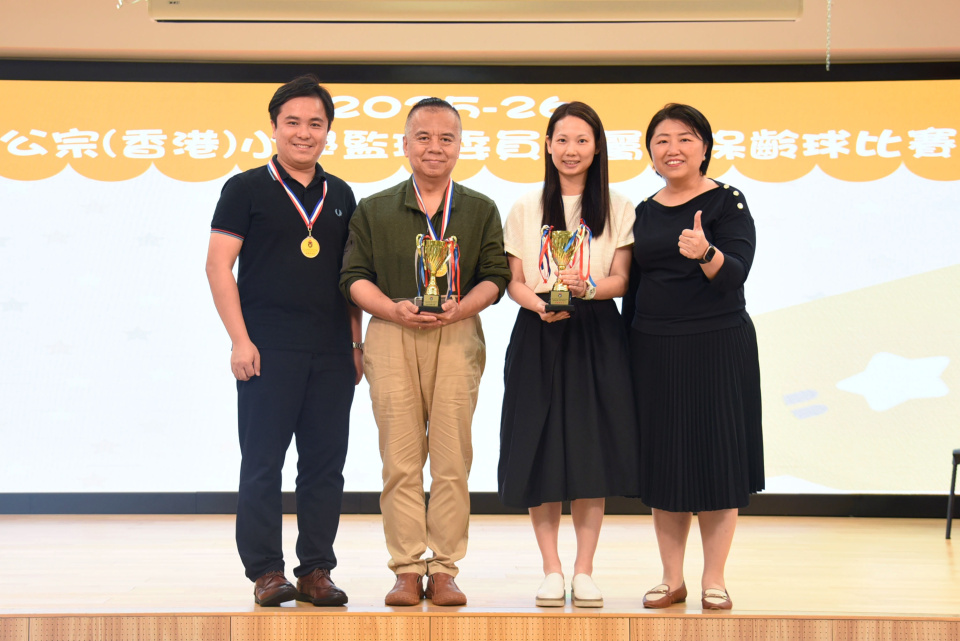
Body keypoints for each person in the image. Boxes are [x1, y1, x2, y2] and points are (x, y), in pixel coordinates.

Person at [339, 98, 511, 607]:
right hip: (392, 333)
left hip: (457, 332)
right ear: (405, 143)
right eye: (423, 137)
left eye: (446, 138)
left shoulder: (479, 208)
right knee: (400, 459)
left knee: (453, 458)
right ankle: (408, 569)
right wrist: (392, 310)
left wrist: (461, 308)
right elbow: (353, 278)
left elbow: (496, 276)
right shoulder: (374, 208)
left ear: (459, 146)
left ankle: (446, 569)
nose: (435, 147)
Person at [205, 75, 363, 607]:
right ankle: (266, 571)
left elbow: (351, 277)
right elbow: (218, 267)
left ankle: (316, 570)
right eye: (292, 122)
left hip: (331, 353)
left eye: (315, 123)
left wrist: (355, 343)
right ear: (274, 127)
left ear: (328, 131)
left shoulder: (341, 195)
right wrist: (239, 340)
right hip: (266, 350)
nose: (304, 132)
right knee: (262, 464)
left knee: (324, 466)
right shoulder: (245, 188)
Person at [498, 101, 639, 608]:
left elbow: (622, 279)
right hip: (539, 329)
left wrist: (588, 288)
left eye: (582, 140)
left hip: (596, 331)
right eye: (562, 139)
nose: (571, 149)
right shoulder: (525, 206)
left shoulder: (619, 207)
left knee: (588, 452)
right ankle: (551, 570)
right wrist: (540, 305)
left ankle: (584, 570)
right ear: (547, 145)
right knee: (538, 450)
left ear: (597, 147)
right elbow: (515, 281)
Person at [628, 103, 764, 611]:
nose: (673, 149)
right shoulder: (643, 210)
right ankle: (671, 579)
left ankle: (714, 579)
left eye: (685, 138)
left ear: (704, 147)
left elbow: (736, 273)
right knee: (665, 464)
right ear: (650, 152)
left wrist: (705, 252)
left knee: (718, 459)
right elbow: (633, 287)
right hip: (654, 347)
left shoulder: (728, 201)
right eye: (662, 140)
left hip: (717, 343)